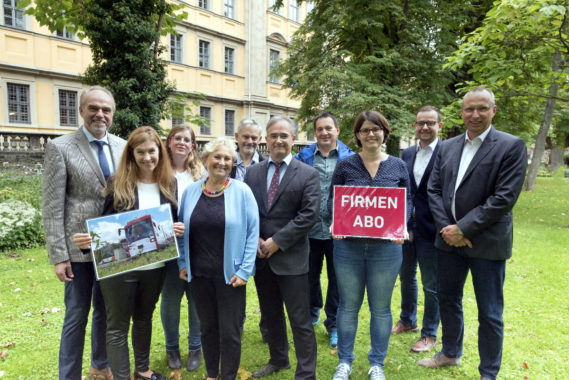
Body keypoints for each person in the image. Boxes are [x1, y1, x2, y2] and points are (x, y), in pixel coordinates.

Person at [418, 88, 527, 380]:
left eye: (482, 108)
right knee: (447, 299)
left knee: (490, 312)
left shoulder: (511, 146)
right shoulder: (448, 146)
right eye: (469, 109)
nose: (475, 115)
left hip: (487, 243)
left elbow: (504, 198)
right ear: (462, 112)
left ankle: (488, 373)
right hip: (448, 241)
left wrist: (463, 228)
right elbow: (434, 190)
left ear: (493, 110)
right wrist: (448, 230)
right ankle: (450, 354)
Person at [74, 126, 184, 380]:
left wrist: (176, 228)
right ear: (131, 154)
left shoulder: (169, 183)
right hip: (119, 270)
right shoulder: (119, 183)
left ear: (160, 151)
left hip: (155, 268)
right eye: (141, 152)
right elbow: (104, 225)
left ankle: (142, 370)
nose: (147, 157)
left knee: (144, 319)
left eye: (152, 151)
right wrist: (88, 240)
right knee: (118, 327)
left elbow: (171, 221)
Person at [42, 85, 125, 380]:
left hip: (112, 248)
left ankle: (100, 365)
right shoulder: (60, 147)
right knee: (76, 316)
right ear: (81, 111)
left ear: (112, 114)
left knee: (106, 312)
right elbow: (52, 206)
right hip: (76, 251)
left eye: (106, 109)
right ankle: (69, 375)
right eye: (94, 108)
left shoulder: (122, 146)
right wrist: (59, 255)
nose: (100, 114)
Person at [329, 111, 411, 380]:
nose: (370, 134)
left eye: (376, 129)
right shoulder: (345, 165)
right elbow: (333, 200)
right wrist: (334, 223)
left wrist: (403, 225)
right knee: (348, 307)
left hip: (386, 250)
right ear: (357, 135)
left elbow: (407, 202)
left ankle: (377, 364)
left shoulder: (398, 166)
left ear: (384, 132)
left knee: (381, 308)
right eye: (365, 130)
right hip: (348, 248)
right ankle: (345, 362)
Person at [244, 116, 320, 380]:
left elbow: (308, 215)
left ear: (293, 139)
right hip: (261, 258)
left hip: (292, 259)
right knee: (271, 314)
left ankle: (306, 373)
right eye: (273, 135)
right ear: (266, 139)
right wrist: (254, 239)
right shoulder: (252, 173)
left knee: (300, 320)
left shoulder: (308, 174)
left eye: (284, 136)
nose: (278, 140)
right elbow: (248, 211)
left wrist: (277, 242)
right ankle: (279, 359)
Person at [177, 137, 259, 380]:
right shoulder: (191, 192)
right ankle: (212, 374)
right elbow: (181, 230)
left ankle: (228, 376)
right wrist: (183, 262)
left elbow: (253, 232)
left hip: (231, 276)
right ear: (205, 159)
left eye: (227, 159)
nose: (222, 162)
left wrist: (245, 270)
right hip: (199, 274)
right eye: (217, 157)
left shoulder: (242, 191)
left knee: (230, 332)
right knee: (208, 328)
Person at [295, 112, 354, 348]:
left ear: (337, 130)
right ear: (315, 132)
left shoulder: (351, 157)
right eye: (319, 129)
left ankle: (334, 325)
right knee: (308, 277)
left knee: (337, 280)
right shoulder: (303, 156)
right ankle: (311, 314)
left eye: (329, 128)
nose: (324, 133)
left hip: (338, 231)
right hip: (309, 230)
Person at [392, 106, 442, 353]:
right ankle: (407, 319)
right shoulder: (407, 153)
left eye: (430, 123)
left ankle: (429, 333)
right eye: (421, 123)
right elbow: (404, 191)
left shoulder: (447, 152)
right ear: (415, 125)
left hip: (433, 227)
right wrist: (402, 223)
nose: (425, 127)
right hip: (407, 226)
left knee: (432, 283)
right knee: (406, 275)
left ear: (439, 126)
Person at [160, 125, 204, 372]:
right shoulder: (158, 172)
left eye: (187, 139)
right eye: (177, 138)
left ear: (193, 146)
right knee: (171, 298)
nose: (182, 142)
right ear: (168, 142)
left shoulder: (200, 173)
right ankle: (172, 347)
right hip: (168, 245)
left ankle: (196, 346)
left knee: (196, 297)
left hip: (197, 244)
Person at [229, 118, 268, 340]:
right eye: (245, 136)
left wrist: (259, 236)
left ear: (260, 139)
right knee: (235, 283)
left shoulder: (267, 164)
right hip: (232, 236)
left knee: (265, 286)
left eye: (254, 137)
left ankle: (267, 328)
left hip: (260, 235)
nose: (250, 141)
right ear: (237, 137)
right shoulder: (225, 162)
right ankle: (237, 324)